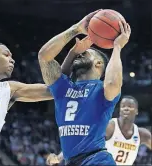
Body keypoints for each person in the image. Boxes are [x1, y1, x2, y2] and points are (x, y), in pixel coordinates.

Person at [38, 8, 131, 166]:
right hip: (71, 162)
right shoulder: (63, 89)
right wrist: (76, 30)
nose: (81, 53)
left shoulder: (102, 89)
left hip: (97, 159)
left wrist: (117, 47)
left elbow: (113, 83)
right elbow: (44, 56)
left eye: (86, 53)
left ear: (99, 64)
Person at [46, 96, 151, 165]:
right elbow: (81, 140)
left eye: (130, 106)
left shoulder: (142, 134)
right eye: (123, 106)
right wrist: (59, 157)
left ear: (137, 111)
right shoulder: (109, 127)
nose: (126, 108)